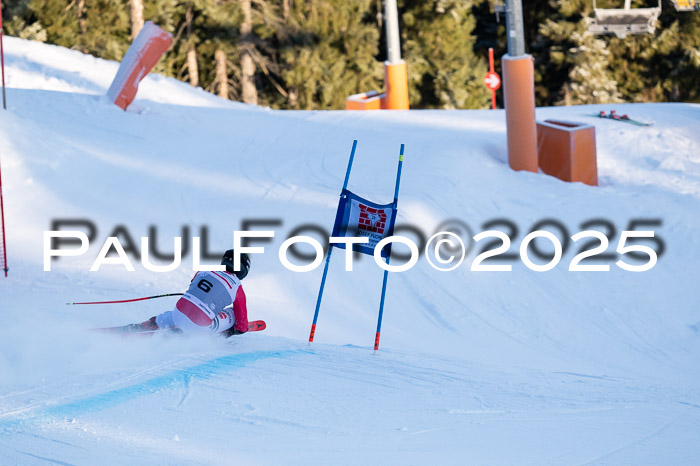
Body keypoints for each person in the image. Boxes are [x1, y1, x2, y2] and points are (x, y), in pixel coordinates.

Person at [133, 250, 250, 338]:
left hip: (178, 313)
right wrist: (238, 330)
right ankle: (218, 334)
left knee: (175, 314)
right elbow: (242, 320)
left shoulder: (204, 271)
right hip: (199, 326)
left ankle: (146, 326)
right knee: (232, 313)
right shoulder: (236, 286)